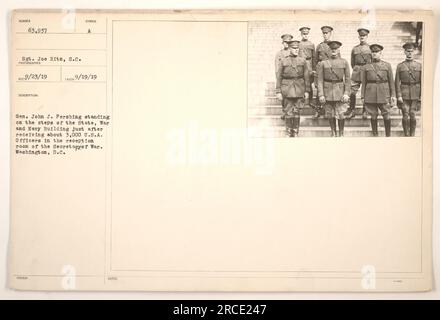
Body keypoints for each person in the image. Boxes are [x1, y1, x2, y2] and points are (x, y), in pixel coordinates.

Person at [275, 40, 311, 137]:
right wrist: (278, 91)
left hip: (299, 88)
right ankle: (288, 131)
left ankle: (295, 131)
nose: (296, 50)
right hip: (287, 88)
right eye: (294, 48)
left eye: (297, 48)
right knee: (288, 111)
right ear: (290, 49)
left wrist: (307, 90)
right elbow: (279, 77)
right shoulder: (283, 61)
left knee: (297, 111)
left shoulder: (302, 61)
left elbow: (306, 77)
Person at [361, 44, 396, 137]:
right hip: (370, 93)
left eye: (376, 52)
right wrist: (362, 96)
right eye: (373, 52)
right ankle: (375, 135)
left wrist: (393, 95)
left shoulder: (387, 65)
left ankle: (388, 135)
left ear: (381, 53)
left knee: (386, 115)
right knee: (373, 115)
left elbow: (391, 81)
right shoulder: (366, 67)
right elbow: (363, 82)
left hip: (384, 92)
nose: (374, 54)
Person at [317, 40, 350, 137]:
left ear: (339, 50)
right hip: (327, 91)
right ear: (329, 50)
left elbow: (348, 79)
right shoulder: (323, 63)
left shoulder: (344, 62)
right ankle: (333, 131)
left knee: (341, 113)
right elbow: (320, 80)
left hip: (340, 91)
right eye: (332, 49)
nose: (334, 51)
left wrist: (346, 93)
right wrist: (321, 94)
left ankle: (341, 133)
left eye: (336, 49)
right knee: (329, 113)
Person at [395, 42, 422, 136]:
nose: (410, 53)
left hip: (415, 93)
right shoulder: (400, 66)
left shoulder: (419, 66)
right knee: (405, 115)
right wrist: (398, 95)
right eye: (407, 51)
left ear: (414, 52)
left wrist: (420, 96)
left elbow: (422, 82)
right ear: (404, 52)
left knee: (412, 114)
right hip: (404, 94)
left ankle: (412, 134)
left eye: (411, 51)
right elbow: (396, 82)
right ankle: (406, 135)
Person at [345, 28, 372, 120]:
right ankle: (352, 110)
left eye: (364, 36)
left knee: (367, 91)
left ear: (367, 36)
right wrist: (357, 68)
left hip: (367, 71)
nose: (362, 37)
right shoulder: (355, 49)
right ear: (358, 37)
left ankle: (365, 111)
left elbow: (372, 62)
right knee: (352, 92)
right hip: (356, 71)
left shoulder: (370, 48)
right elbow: (352, 62)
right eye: (361, 36)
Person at [312, 26, 333, 119]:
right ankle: (317, 110)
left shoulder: (333, 45)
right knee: (319, 91)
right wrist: (315, 71)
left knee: (327, 90)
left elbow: (337, 60)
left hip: (329, 71)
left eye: (327, 33)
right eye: (324, 33)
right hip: (320, 71)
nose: (325, 35)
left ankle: (326, 110)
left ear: (330, 34)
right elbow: (315, 60)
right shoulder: (319, 46)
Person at [275, 34, 294, 120]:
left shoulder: (293, 53)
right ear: (282, 43)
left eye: (288, 42)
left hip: (292, 78)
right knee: (284, 97)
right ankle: (285, 111)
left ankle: (291, 111)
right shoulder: (279, 54)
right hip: (283, 78)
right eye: (285, 42)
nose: (287, 44)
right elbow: (276, 67)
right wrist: (278, 77)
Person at [298, 27, 315, 107]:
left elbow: (314, 57)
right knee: (301, 83)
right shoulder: (298, 44)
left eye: (306, 34)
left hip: (309, 65)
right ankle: (302, 101)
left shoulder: (311, 44)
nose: (305, 35)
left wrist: (313, 69)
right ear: (301, 34)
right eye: (304, 34)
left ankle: (310, 100)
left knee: (309, 83)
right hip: (301, 64)